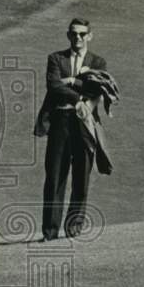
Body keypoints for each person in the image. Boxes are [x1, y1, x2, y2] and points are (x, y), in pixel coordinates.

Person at [34, 18, 108, 241]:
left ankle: (74, 227)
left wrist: (72, 81)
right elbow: (54, 86)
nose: (78, 38)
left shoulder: (98, 62)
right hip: (60, 121)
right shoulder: (56, 58)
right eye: (74, 34)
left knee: (81, 176)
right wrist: (78, 97)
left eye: (82, 34)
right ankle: (50, 232)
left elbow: (97, 88)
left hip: (84, 125)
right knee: (55, 176)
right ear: (68, 35)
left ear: (90, 36)